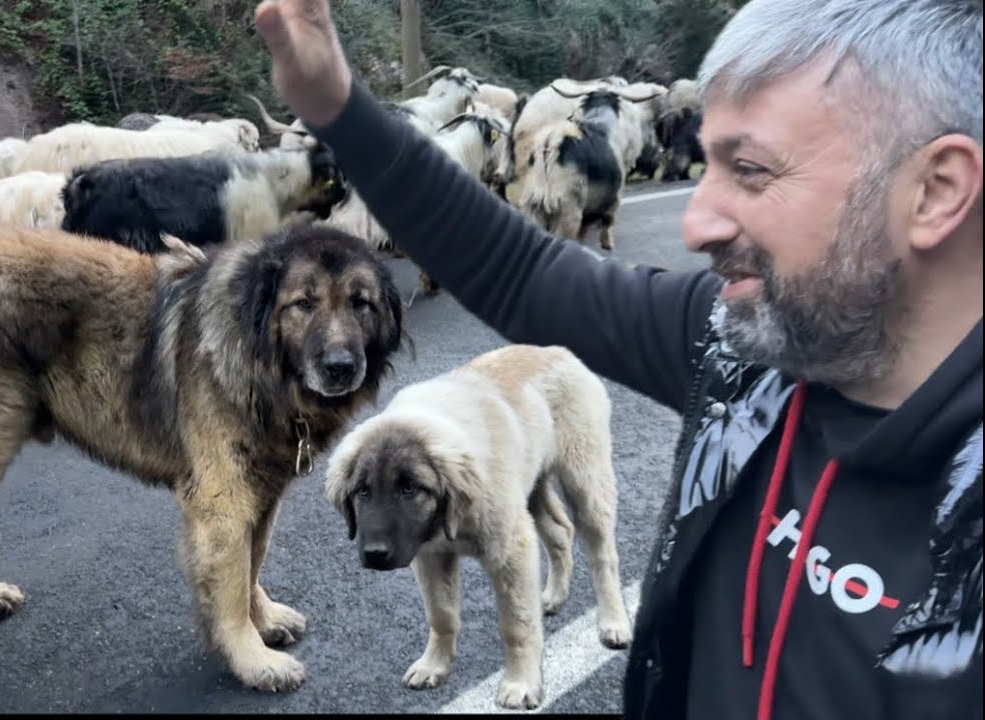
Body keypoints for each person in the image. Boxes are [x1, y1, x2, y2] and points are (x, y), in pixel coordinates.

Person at [252, 0, 984, 718]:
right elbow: (522, 270)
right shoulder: (736, 345)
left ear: (934, 190)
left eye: (753, 169)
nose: (696, 222)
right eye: (709, 164)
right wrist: (339, 107)